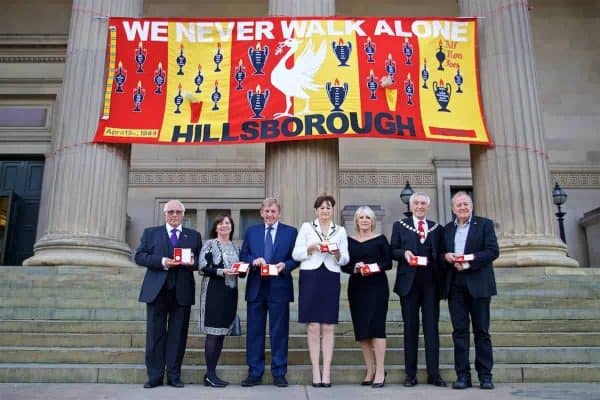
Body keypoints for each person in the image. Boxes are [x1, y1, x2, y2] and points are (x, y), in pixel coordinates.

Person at [134, 199, 202, 389]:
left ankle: (174, 375)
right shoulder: (151, 233)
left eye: (178, 212)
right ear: (165, 214)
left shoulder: (193, 236)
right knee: (155, 334)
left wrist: (191, 263)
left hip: (182, 291)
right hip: (157, 291)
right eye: (170, 211)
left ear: (183, 215)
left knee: (178, 336)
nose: (174, 215)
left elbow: (199, 262)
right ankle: (155, 376)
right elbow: (139, 256)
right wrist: (163, 261)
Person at [239, 198, 298, 388]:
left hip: (279, 287)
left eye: (273, 211)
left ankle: (279, 372)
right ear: (261, 213)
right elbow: (243, 255)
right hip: (256, 287)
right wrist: (253, 260)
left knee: (279, 332)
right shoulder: (251, 232)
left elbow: (296, 258)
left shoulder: (290, 232)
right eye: (267, 211)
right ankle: (254, 372)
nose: (270, 215)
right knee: (254, 332)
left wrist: (285, 265)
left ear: (279, 213)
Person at [443, 191, 499, 390]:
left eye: (466, 204)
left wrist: (468, 262)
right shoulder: (447, 229)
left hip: (479, 283)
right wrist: (447, 256)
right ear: (453, 209)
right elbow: (442, 253)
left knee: (481, 331)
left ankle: (485, 376)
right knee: (459, 331)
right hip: (455, 285)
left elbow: (492, 251)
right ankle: (462, 376)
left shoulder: (484, 225)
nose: (463, 208)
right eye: (458, 205)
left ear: (472, 205)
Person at [390, 192, 447, 388]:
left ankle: (434, 374)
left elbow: (441, 254)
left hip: (431, 284)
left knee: (432, 329)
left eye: (423, 203)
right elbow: (392, 250)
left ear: (428, 207)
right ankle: (410, 375)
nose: (420, 206)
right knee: (410, 329)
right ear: (411, 206)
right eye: (417, 203)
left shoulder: (436, 228)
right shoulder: (400, 225)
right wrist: (402, 253)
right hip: (409, 285)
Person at [292, 194, 349, 387]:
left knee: (328, 326)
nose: (325, 211)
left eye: (328, 207)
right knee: (313, 325)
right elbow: (296, 253)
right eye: (322, 208)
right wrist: (311, 247)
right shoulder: (307, 227)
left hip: (330, 276)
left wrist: (338, 253)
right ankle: (316, 370)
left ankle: (327, 372)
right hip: (310, 276)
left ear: (333, 210)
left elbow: (345, 259)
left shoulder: (340, 230)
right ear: (316, 210)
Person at [341, 206, 392, 388]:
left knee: (377, 328)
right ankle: (369, 370)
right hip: (357, 288)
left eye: (367, 218)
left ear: (372, 221)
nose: (364, 220)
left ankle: (380, 371)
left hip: (377, 287)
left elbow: (388, 263)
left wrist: (373, 266)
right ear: (356, 221)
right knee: (362, 330)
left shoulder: (380, 239)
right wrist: (354, 268)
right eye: (361, 217)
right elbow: (343, 265)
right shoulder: (348, 241)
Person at [197, 214, 241, 388]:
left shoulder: (235, 247)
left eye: (227, 223)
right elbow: (202, 267)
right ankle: (210, 374)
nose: (224, 226)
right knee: (213, 334)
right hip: (213, 292)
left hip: (230, 293)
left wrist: (243, 270)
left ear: (232, 227)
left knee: (221, 333)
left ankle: (212, 374)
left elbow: (239, 269)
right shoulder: (209, 244)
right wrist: (222, 272)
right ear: (215, 227)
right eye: (221, 223)